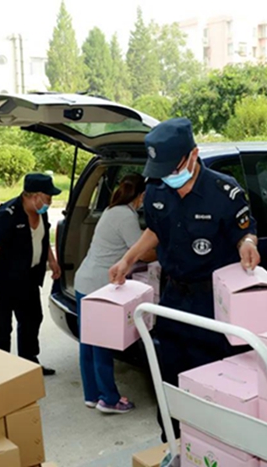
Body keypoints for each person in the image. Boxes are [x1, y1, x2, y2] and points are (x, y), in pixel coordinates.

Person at [108, 117, 260, 441]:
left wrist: (248, 245)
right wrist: (127, 259)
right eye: (160, 169)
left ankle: (213, 448)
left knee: (213, 378)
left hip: (212, 303)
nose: (167, 176)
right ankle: (173, 444)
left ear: (193, 155)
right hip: (174, 298)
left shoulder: (224, 191)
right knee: (170, 375)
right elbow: (154, 231)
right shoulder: (156, 189)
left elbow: (244, 232)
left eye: (172, 167)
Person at [74, 173, 156, 414]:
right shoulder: (126, 216)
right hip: (100, 286)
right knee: (102, 343)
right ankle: (109, 399)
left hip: (84, 281)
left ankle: (92, 395)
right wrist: (164, 251)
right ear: (142, 196)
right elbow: (142, 252)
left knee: (88, 342)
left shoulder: (112, 210)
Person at [0, 173, 62, 376]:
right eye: (48, 197)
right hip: (3, 281)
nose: (50, 202)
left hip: (28, 278)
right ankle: (0, 371)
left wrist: (52, 261)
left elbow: (42, 239)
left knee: (32, 320)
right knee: (0, 329)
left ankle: (29, 363)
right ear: (34, 196)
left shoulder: (40, 213)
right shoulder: (6, 215)